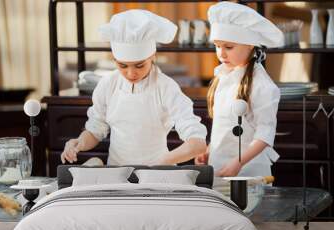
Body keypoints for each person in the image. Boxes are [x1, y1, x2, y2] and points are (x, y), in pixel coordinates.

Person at [61, 9, 207, 166]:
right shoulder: (108, 85)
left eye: (139, 65)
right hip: (116, 174)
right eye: (122, 65)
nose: (131, 73)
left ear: (152, 56)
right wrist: (79, 143)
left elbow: (197, 143)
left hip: (157, 175)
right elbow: (95, 131)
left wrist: (163, 163)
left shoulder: (166, 87)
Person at [195, 2, 284, 177]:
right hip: (219, 165)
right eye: (217, 46)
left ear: (250, 44)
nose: (221, 53)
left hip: (249, 170)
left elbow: (265, 133)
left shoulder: (262, 86)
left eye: (228, 47)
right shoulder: (223, 76)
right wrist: (209, 149)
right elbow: (225, 126)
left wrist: (238, 162)